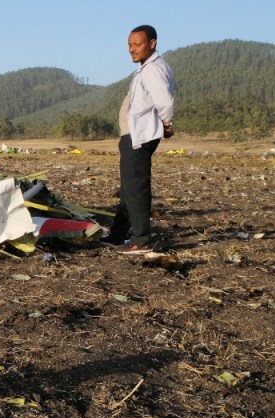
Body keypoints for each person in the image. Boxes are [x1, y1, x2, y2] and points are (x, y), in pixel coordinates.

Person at [102, 24, 175, 255]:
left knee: (136, 187)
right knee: (128, 189)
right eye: (130, 45)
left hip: (139, 136)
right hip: (134, 135)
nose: (132, 49)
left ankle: (141, 240)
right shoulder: (146, 68)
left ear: (152, 43)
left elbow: (165, 101)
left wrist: (167, 122)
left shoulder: (153, 69)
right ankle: (117, 235)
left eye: (137, 44)